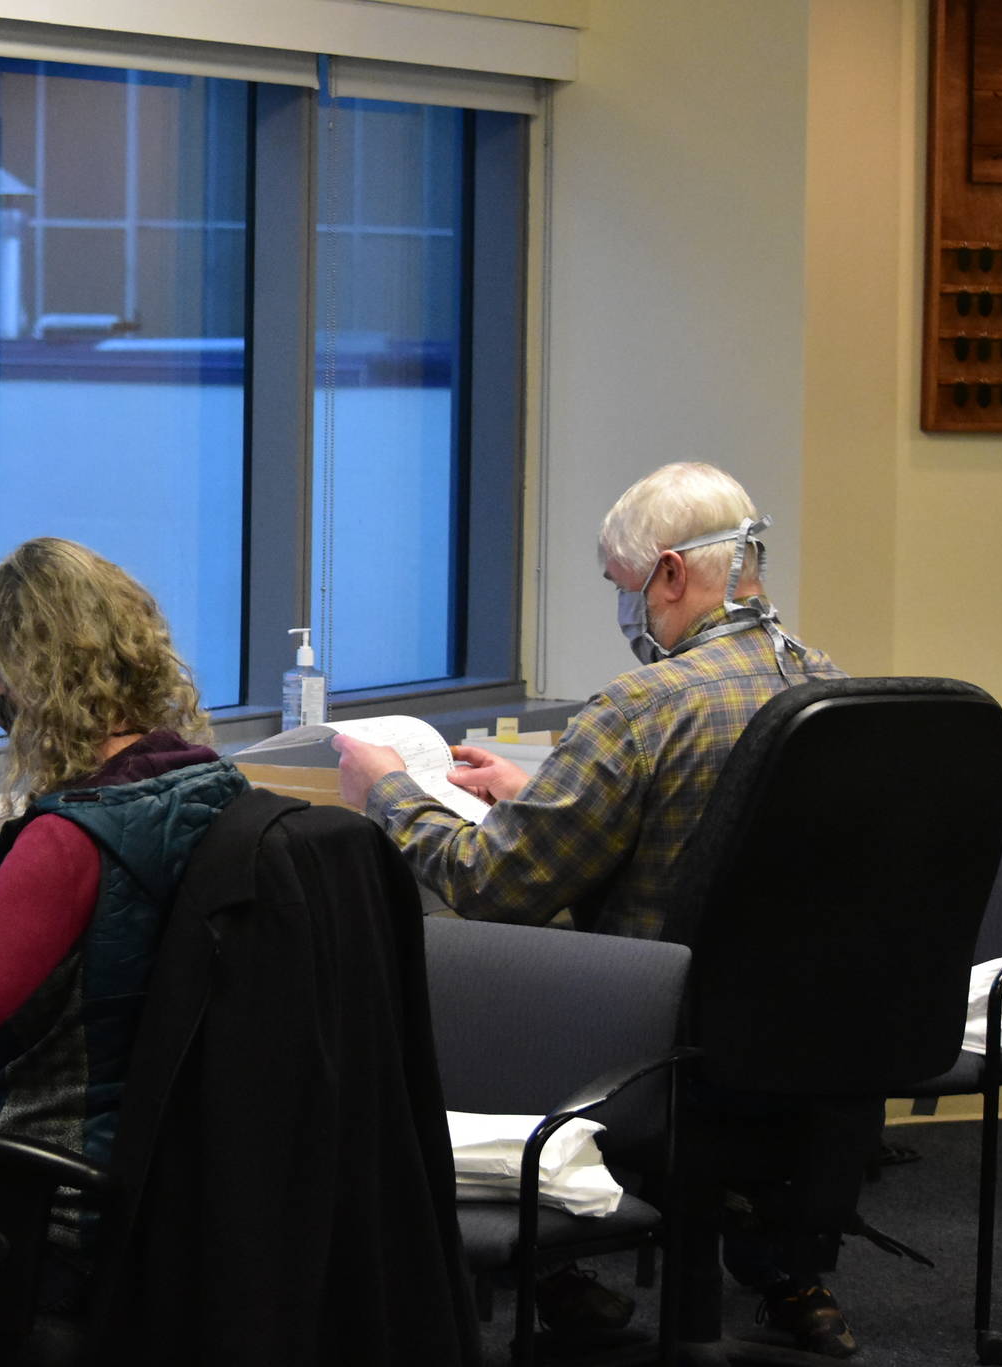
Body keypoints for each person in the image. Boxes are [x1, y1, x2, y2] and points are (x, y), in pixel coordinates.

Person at [334, 461, 860, 1357]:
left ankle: (546, 1269)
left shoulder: (641, 708)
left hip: (647, 1040)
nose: (626, 616)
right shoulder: (833, 690)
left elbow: (494, 883)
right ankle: (787, 1272)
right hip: (811, 1037)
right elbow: (712, 810)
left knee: (433, 967)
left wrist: (387, 791)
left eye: (625, 590)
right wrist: (540, 786)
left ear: (668, 573)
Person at [0, 537, 248, 1306]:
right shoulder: (217, 789)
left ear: (30, 681)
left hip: (51, 1204)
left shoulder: (67, 840)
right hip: (181, 1198)